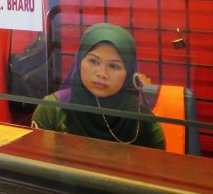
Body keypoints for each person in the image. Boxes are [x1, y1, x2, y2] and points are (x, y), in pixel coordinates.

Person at [32, 23, 165, 149]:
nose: (102, 73)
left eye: (114, 66)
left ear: (128, 72)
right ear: (79, 62)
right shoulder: (52, 110)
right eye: (94, 61)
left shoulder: (147, 125)